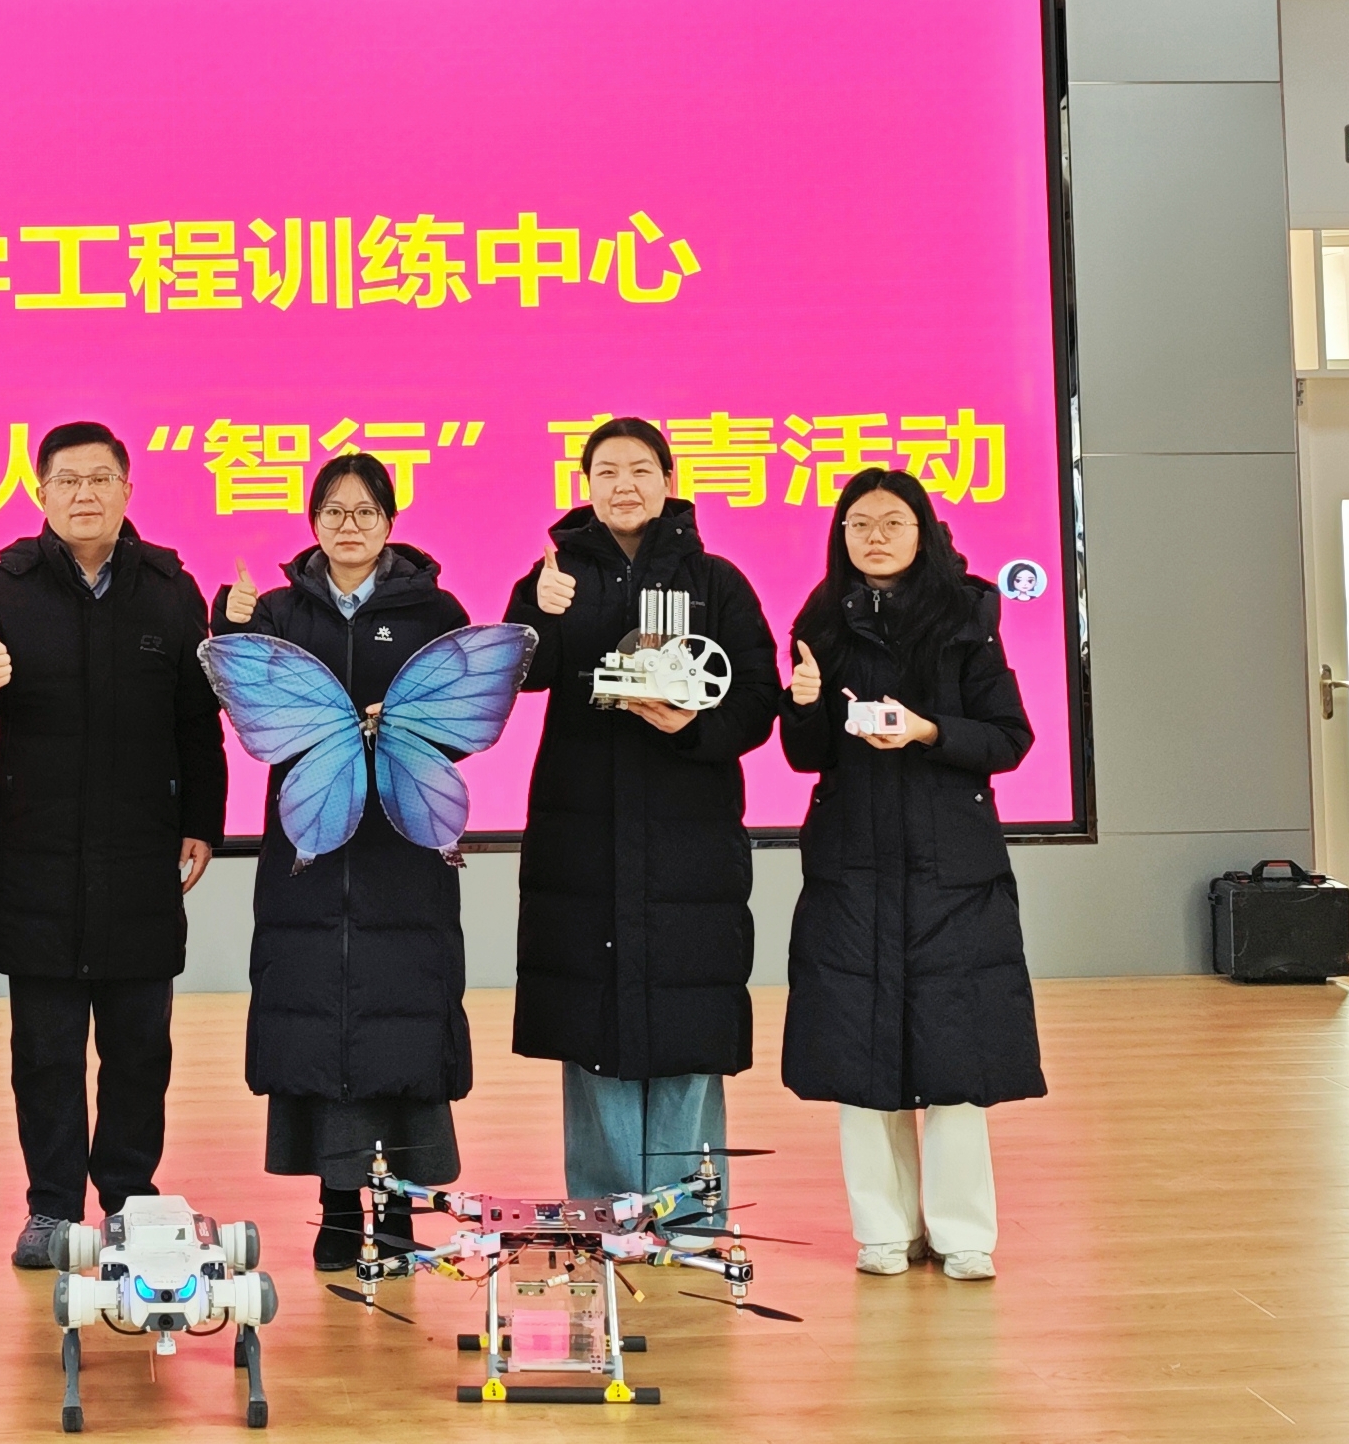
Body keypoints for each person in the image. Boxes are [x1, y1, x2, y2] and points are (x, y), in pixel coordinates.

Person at [0, 421, 228, 1268]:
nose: (86, 494)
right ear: (41, 494)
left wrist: (203, 820)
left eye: (102, 479)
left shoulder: (169, 589)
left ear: (128, 491)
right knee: (46, 1054)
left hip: (140, 858)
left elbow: (197, 721)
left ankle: (130, 1199)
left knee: (140, 1050)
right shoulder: (6, 585)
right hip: (39, 860)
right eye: (68, 480)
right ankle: (53, 1209)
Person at [504, 417, 781, 1227]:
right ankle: (608, 1214)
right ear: (585, 484)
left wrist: (692, 726)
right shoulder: (554, 575)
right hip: (582, 836)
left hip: (689, 838)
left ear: (668, 480)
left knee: (690, 1023)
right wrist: (533, 609)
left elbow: (757, 698)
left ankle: (689, 1217)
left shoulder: (717, 581)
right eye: (606, 471)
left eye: (638, 469)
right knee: (593, 1025)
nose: (622, 485)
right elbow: (514, 675)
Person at [214, 453, 477, 1270]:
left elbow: (464, 725)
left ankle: (398, 1210)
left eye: (365, 511)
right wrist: (230, 631)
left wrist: (401, 726)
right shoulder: (280, 611)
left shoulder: (437, 611)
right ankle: (335, 1207)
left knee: (404, 1021)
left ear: (390, 522)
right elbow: (249, 712)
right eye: (332, 511)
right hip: (310, 846)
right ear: (313, 523)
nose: (348, 525)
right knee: (318, 1021)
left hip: (404, 843)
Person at [779, 466, 1041, 1283]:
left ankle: (964, 1234)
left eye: (892, 522)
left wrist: (928, 730)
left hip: (951, 867)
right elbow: (804, 756)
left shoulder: (967, 615)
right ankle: (882, 1232)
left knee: (956, 1058)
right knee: (861, 1059)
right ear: (841, 536)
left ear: (922, 530)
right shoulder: (821, 617)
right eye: (859, 524)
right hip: (852, 866)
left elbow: (1009, 737)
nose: (876, 537)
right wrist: (803, 702)